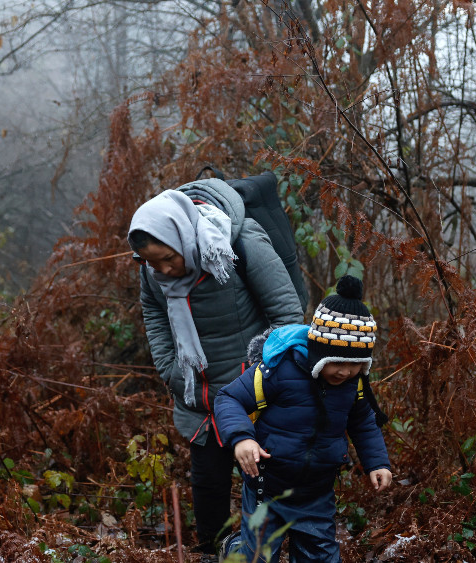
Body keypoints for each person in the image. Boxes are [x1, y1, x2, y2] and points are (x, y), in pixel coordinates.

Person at [128, 179, 304, 556]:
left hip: (252, 393)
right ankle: (214, 550)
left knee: (263, 482)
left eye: (168, 258)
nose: (164, 270)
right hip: (199, 396)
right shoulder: (152, 270)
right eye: (152, 262)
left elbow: (287, 318)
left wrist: (260, 376)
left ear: (183, 235)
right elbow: (155, 315)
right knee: (207, 484)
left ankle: (270, 550)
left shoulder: (239, 242)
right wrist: (172, 370)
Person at [214, 275, 392, 562]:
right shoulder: (279, 371)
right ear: (319, 351)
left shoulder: (353, 386)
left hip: (316, 493)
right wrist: (242, 438)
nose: (345, 372)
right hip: (267, 486)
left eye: (356, 364)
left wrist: (377, 462)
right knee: (256, 556)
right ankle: (235, 548)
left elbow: (363, 424)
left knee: (318, 557)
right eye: (337, 362)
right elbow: (229, 398)